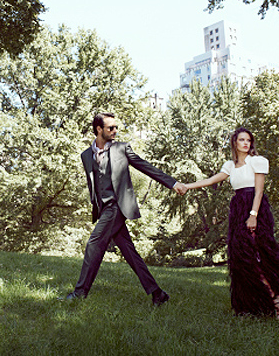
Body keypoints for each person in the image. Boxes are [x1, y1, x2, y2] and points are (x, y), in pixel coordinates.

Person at [62, 112, 187, 304]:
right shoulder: (86, 155)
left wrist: (172, 183)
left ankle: (80, 293)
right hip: (104, 208)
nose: (115, 131)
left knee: (94, 244)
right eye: (110, 128)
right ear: (98, 129)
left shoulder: (122, 149)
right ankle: (158, 294)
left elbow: (145, 166)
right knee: (129, 252)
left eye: (116, 127)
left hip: (117, 206)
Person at [183, 127, 279, 318]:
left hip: (255, 209)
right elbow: (211, 180)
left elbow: (259, 192)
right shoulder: (230, 166)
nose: (246, 143)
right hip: (238, 210)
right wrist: (186, 186)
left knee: (258, 256)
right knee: (242, 259)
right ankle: (253, 306)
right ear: (235, 143)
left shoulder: (257, 161)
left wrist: (254, 215)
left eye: (248, 140)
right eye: (242, 140)